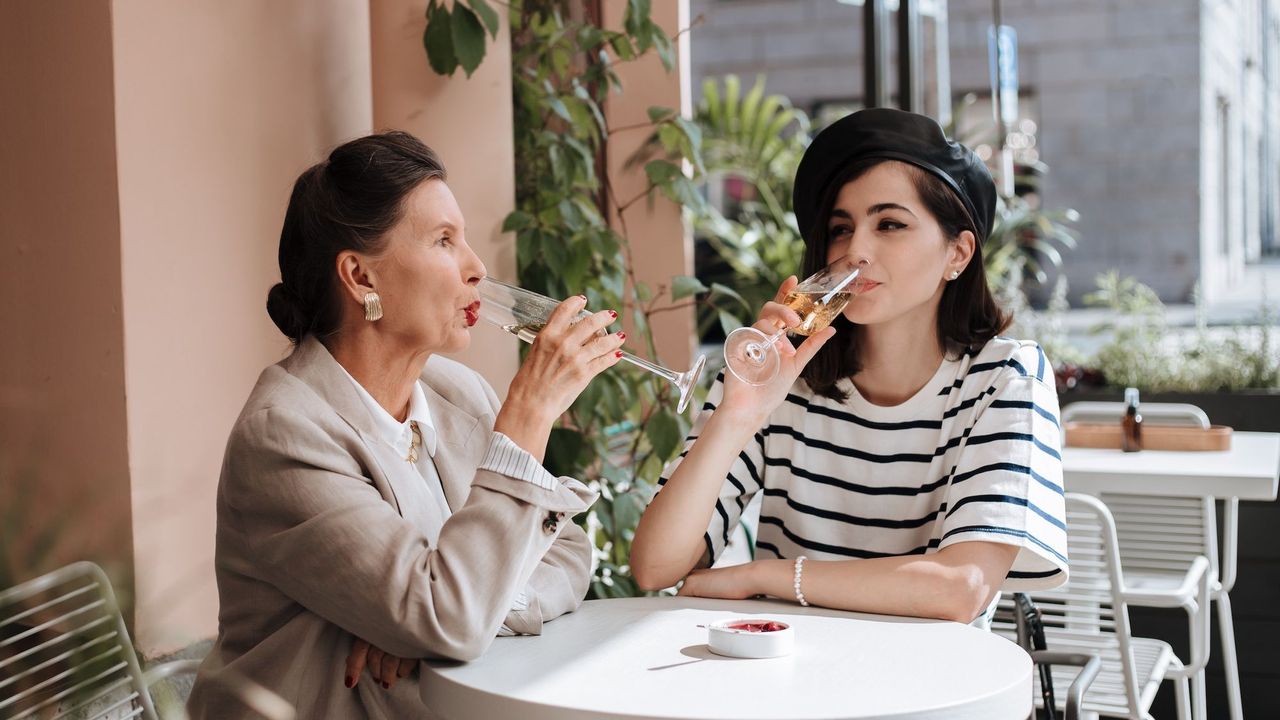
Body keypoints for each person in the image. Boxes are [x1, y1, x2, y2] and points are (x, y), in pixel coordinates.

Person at [188, 131, 624, 719]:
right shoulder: (284, 435)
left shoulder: (454, 391)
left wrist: (452, 621)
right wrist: (527, 418)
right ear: (361, 277)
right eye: (444, 241)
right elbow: (448, 617)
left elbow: (567, 553)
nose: (475, 269)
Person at [630, 108, 1068, 626]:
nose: (855, 250)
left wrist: (762, 577)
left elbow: (958, 588)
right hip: (790, 684)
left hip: (933, 695)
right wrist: (738, 415)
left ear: (958, 252)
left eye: (889, 224)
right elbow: (655, 567)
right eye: (841, 228)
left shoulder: (1004, 378)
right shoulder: (778, 374)